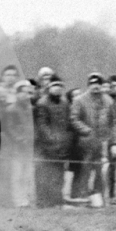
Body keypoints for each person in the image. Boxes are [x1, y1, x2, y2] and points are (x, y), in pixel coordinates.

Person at [70, 73, 116, 208]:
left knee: (102, 171)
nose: (95, 86)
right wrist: (86, 131)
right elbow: (74, 119)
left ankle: (99, 199)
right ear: (88, 85)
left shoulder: (108, 101)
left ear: (102, 85)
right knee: (84, 170)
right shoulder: (79, 100)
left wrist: (115, 142)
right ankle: (83, 197)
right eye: (92, 83)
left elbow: (114, 122)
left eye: (98, 84)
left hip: (103, 142)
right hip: (86, 142)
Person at [34, 75, 72, 207]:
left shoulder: (65, 102)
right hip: (45, 146)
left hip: (61, 146)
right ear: (49, 87)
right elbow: (42, 126)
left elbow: (67, 123)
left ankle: (56, 200)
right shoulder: (42, 103)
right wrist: (53, 139)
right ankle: (43, 201)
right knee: (45, 174)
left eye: (60, 86)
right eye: (54, 86)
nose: (57, 89)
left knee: (59, 174)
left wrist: (65, 140)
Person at [5, 80, 35, 207]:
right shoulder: (11, 109)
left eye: (28, 93)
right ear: (17, 94)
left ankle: (27, 199)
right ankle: (18, 200)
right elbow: (9, 128)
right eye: (23, 93)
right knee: (17, 175)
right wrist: (19, 139)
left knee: (27, 175)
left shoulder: (31, 108)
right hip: (16, 148)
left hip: (29, 147)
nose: (26, 96)